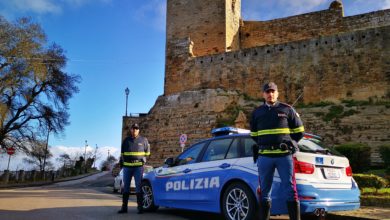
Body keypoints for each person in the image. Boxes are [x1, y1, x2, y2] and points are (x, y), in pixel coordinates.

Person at [250, 82, 304, 220]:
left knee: (291, 190)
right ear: (263, 94)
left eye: (273, 91)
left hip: (284, 157)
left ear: (277, 93)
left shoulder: (287, 109)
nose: (270, 94)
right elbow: (254, 135)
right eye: (267, 92)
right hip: (265, 157)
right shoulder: (257, 112)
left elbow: (299, 132)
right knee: (264, 192)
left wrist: (290, 143)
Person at [118, 123, 151, 214]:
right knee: (126, 188)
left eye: (136, 129)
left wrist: (144, 159)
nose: (135, 130)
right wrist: (122, 165)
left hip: (138, 167)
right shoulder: (126, 141)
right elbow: (122, 154)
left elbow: (147, 153)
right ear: (131, 130)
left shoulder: (144, 140)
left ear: (139, 130)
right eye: (133, 128)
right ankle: (124, 208)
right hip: (127, 167)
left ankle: (140, 208)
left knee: (138, 187)